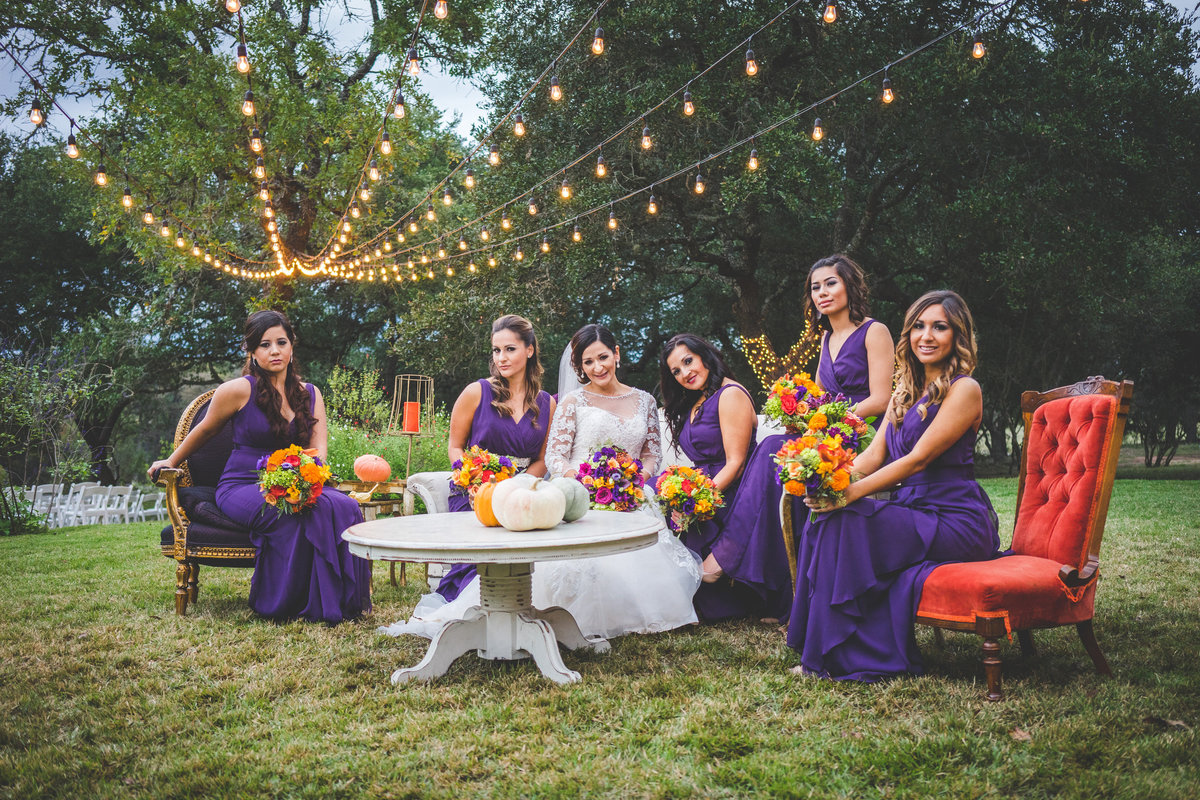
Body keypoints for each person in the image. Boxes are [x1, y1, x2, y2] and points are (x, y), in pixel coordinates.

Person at [786, 290, 1001, 681]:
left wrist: (848, 494)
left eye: (940, 327)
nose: (926, 336)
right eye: (918, 326)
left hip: (955, 519)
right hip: (914, 512)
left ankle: (850, 655)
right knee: (827, 517)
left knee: (848, 517)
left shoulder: (964, 389)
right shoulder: (903, 390)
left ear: (958, 336)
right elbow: (871, 459)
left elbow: (914, 461)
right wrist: (825, 479)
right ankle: (829, 648)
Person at [147, 310, 370, 624]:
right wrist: (171, 462)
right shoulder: (237, 390)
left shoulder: (311, 394)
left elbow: (319, 452)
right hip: (242, 485)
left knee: (345, 506)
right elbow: (205, 430)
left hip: (297, 479)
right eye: (265, 344)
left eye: (281, 342)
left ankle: (337, 600)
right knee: (288, 513)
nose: (275, 350)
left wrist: (306, 481)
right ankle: (282, 604)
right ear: (252, 351)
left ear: (292, 347)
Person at [711, 254, 893, 622]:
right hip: (825, 434)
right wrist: (802, 414)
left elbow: (881, 398)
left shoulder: (874, 331)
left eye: (831, 283)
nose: (822, 292)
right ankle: (780, 590)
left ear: (849, 285)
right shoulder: (825, 338)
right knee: (774, 452)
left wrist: (830, 419)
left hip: (861, 435)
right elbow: (820, 395)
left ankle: (726, 558)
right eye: (815, 287)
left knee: (773, 450)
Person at [533, 324, 701, 638]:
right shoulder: (573, 402)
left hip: (631, 495)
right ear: (580, 367)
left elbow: (652, 454)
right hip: (582, 497)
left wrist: (637, 478)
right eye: (588, 362)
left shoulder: (644, 402)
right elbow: (556, 456)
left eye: (603, 357)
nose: (597, 367)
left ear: (617, 354)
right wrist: (582, 482)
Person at [431, 314, 555, 603]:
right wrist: (473, 481)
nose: (502, 358)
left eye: (510, 349)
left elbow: (543, 459)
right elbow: (455, 447)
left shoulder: (547, 403)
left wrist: (519, 488)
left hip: (523, 491)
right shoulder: (476, 392)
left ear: (530, 349)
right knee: (481, 562)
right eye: (496, 350)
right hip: (475, 492)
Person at [660, 334, 759, 621]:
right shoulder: (698, 399)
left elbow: (736, 463)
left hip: (734, 494)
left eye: (688, 361)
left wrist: (694, 501)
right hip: (707, 488)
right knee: (654, 494)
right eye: (675, 371)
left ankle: (722, 586)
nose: (685, 373)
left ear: (705, 356)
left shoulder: (730, 395)